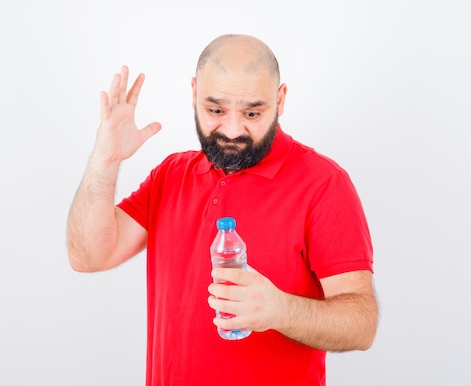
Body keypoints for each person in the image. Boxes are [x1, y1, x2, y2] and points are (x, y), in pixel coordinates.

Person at [67, 34, 378, 386]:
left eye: (252, 112)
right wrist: (104, 160)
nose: (232, 130)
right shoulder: (171, 175)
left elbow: (361, 324)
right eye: (215, 110)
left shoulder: (323, 184)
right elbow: (89, 256)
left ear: (280, 100)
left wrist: (280, 310)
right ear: (194, 93)